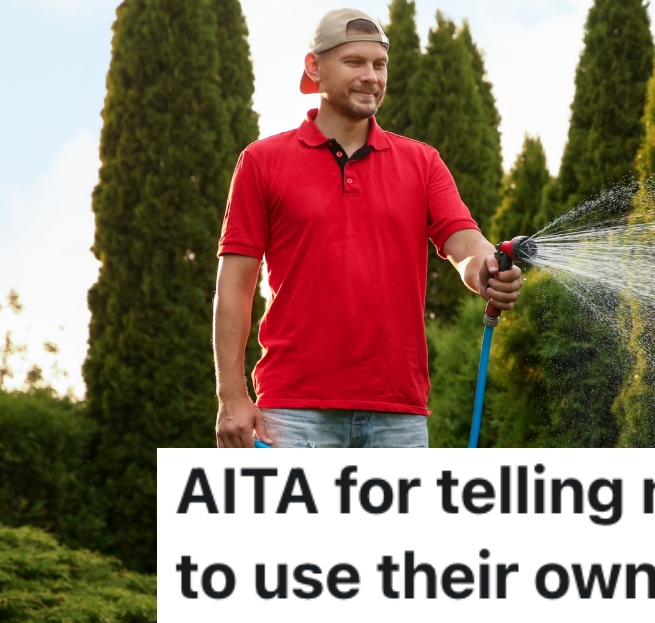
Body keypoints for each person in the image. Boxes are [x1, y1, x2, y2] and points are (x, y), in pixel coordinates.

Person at [212, 8, 522, 448]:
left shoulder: (422, 162)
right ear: (314, 68)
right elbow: (236, 284)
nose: (371, 76)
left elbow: (464, 242)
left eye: (379, 64)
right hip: (293, 413)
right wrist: (231, 396)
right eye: (354, 62)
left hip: (399, 415)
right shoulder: (262, 161)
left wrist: (486, 268)